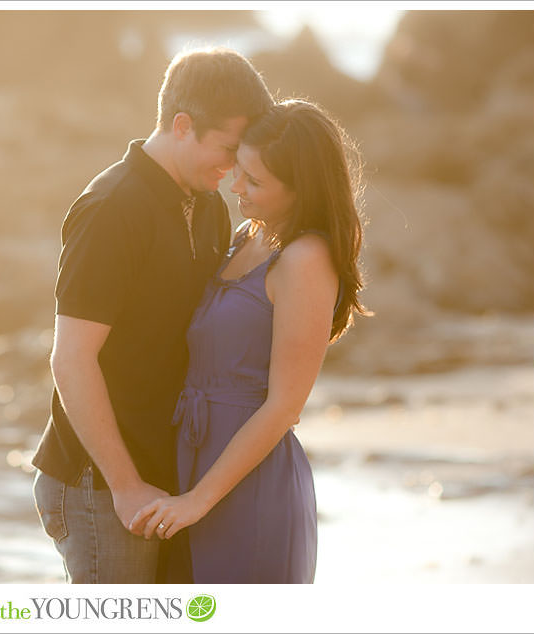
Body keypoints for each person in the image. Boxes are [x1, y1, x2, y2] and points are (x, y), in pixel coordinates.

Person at [30, 47, 274, 584]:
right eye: (228, 149)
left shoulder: (209, 206)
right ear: (182, 125)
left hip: (169, 479)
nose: (234, 168)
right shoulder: (111, 208)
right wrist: (125, 485)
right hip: (102, 483)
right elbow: (71, 359)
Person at [129, 99, 370, 583]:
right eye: (239, 169)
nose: (236, 186)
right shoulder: (245, 235)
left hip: (248, 485)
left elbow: (284, 407)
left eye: (255, 182)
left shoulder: (306, 260)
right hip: (192, 463)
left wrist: (198, 500)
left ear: (302, 191)